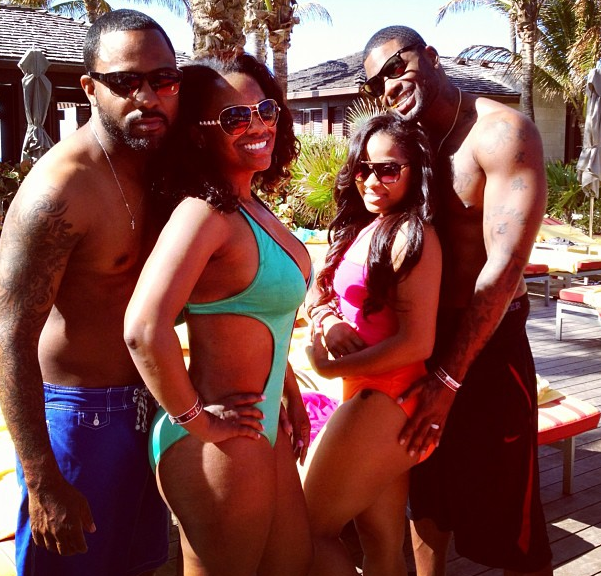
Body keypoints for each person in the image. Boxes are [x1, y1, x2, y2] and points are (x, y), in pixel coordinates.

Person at [0, 10, 260, 576]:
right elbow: (10, 338)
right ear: (89, 88)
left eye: (164, 80)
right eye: (125, 82)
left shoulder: (168, 166)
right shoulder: (60, 191)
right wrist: (41, 477)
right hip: (78, 419)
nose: (148, 97)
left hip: (156, 403)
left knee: (140, 564)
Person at [358, 26, 552, 576]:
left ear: (431, 56)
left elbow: (505, 269)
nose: (390, 86)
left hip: (488, 347)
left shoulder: (501, 134)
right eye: (376, 83)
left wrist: (448, 380)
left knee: (512, 519)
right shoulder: (406, 147)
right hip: (419, 342)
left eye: (396, 67)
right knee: (427, 493)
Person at [124, 54, 313, 576]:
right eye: (235, 117)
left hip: (259, 423)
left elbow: (263, 320)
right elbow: (143, 329)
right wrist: (199, 421)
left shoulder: (251, 206)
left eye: (266, 110)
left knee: (292, 564)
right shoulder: (202, 214)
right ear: (199, 134)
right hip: (218, 440)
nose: (258, 125)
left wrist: (290, 393)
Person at [302, 114, 441, 576]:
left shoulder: (413, 236)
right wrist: (325, 319)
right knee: (379, 544)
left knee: (304, 533)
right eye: (363, 168)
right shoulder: (364, 227)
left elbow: (417, 343)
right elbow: (319, 289)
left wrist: (329, 369)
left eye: (388, 169)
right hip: (372, 398)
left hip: (387, 398)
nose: (372, 180)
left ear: (415, 172)